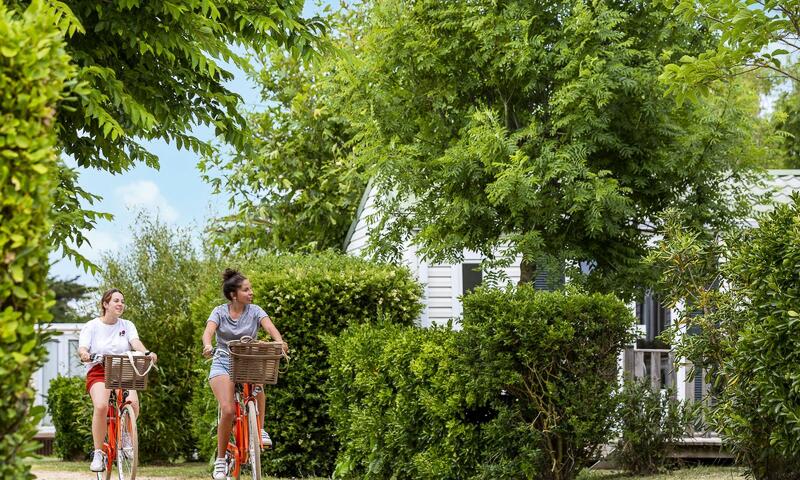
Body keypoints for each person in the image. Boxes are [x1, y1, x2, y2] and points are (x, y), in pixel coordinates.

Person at [202, 269, 288, 480]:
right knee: (228, 410)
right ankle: (221, 460)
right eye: (246, 289)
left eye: (250, 289)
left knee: (259, 383)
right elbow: (209, 331)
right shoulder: (219, 312)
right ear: (233, 294)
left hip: (248, 361)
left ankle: (259, 429)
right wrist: (207, 345)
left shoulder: (255, 310)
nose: (251, 292)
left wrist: (279, 342)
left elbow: (270, 328)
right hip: (223, 361)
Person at [77, 288, 158, 473]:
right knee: (101, 407)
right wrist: (85, 355)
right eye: (116, 300)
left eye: (122, 301)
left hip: (122, 368)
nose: (120, 304)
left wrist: (146, 353)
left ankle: (126, 435)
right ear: (105, 304)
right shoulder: (92, 326)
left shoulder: (127, 325)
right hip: (98, 369)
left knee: (133, 403)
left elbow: (135, 342)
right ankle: (98, 452)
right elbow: (83, 348)